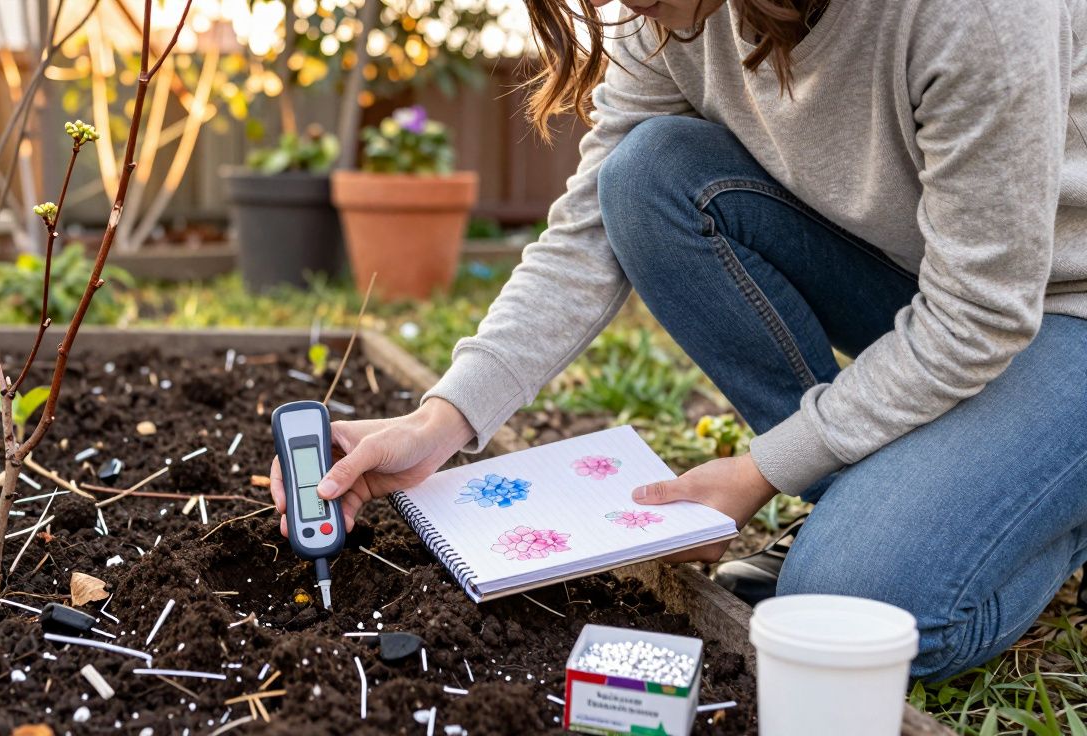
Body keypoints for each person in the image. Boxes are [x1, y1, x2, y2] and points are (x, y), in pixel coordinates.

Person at [271, 0, 1087, 680]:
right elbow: (592, 222)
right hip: (919, 281)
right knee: (646, 174)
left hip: (1057, 307)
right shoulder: (659, 14)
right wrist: (440, 420)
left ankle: (1036, 503)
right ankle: (905, 484)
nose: (620, 10)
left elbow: (980, 311)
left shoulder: (975, 14)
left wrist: (764, 466)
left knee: (856, 611)